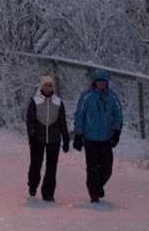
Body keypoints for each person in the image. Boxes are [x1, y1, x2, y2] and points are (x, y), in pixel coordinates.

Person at [72, 69, 123, 204]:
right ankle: (94, 194)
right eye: (99, 81)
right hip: (90, 138)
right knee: (92, 167)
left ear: (106, 83)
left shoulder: (112, 97)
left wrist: (116, 132)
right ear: (94, 82)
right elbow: (79, 115)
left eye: (103, 82)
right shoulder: (87, 96)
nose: (101, 84)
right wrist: (78, 134)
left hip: (106, 139)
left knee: (107, 168)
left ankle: (98, 185)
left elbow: (118, 115)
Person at [25, 74, 69, 202]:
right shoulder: (35, 101)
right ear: (41, 87)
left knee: (51, 167)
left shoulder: (58, 102)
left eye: (50, 85)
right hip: (37, 138)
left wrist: (65, 138)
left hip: (54, 139)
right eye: (45, 85)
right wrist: (31, 136)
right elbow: (30, 120)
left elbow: (62, 122)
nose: (48, 87)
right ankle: (33, 185)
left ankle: (48, 192)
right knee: (36, 164)